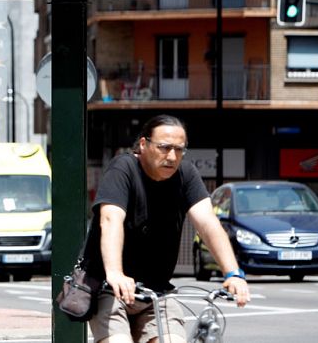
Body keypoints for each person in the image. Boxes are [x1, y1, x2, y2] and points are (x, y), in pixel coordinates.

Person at [89, 115, 250, 343]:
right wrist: (115, 272)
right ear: (143, 144)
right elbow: (110, 219)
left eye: (179, 149)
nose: (172, 157)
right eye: (164, 148)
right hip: (110, 288)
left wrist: (232, 273)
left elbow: (207, 222)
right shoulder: (123, 168)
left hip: (158, 292)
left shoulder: (185, 174)